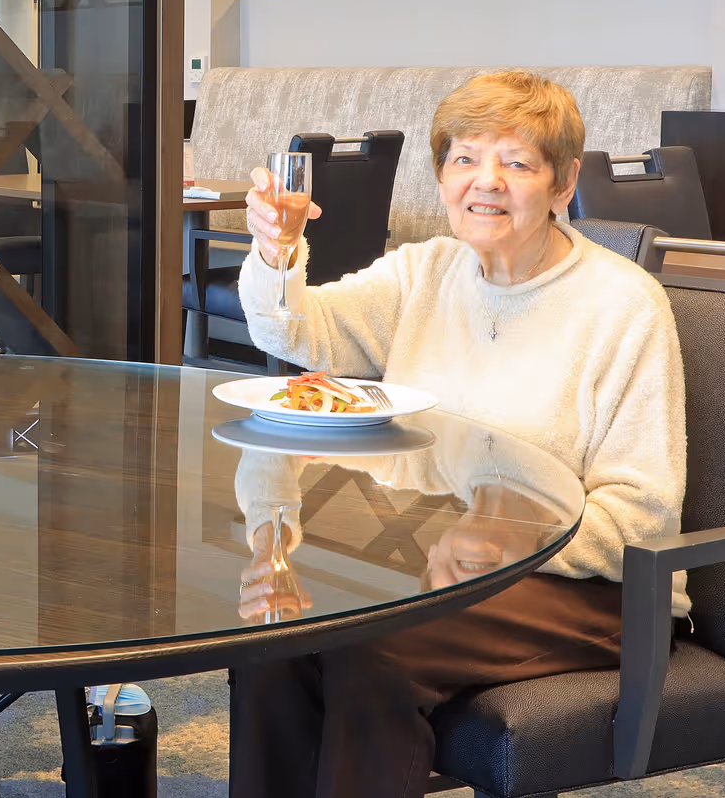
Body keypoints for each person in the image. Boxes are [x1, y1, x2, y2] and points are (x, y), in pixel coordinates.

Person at [226, 71, 687, 797]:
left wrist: (510, 533)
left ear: (564, 182)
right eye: (465, 158)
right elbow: (297, 329)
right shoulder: (430, 270)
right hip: (439, 561)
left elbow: (644, 514)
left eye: (518, 163)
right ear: (441, 175)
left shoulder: (623, 306)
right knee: (275, 634)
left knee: (370, 647)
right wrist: (278, 250)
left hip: (593, 588)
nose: (486, 182)